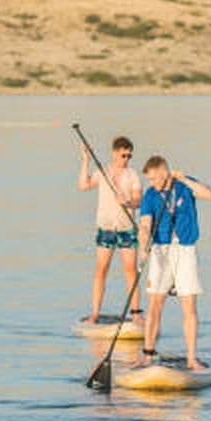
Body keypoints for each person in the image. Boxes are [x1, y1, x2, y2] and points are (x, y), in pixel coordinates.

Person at [137, 155, 211, 371]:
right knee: (154, 305)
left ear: (164, 172)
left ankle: (191, 358)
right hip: (161, 249)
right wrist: (143, 248)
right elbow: (145, 225)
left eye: (154, 178)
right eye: (149, 180)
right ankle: (148, 354)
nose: (152, 183)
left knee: (189, 306)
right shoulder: (150, 195)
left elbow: (209, 194)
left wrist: (185, 180)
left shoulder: (184, 185)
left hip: (185, 248)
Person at [77, 136, 143, 325]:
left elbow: (139, 200)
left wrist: (128, 202)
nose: (126, 159)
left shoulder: (132, 175)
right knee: (101, 270)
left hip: (126, 228)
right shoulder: (102, 171)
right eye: (123, 155)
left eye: (129, 156)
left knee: (131, 271)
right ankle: (95, 314)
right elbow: (83, 186)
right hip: (106, 228)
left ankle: (136, 313)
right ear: (115, 153)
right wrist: (86, 160)